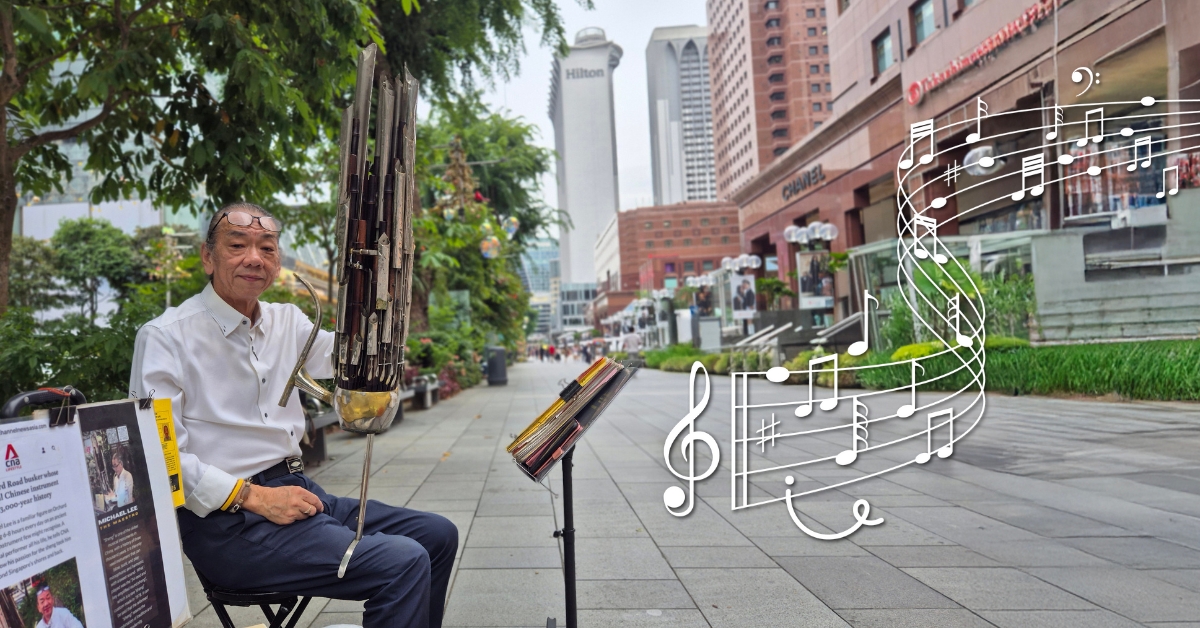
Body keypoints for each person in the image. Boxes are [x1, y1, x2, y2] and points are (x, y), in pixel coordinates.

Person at [130, 202, 457, 628]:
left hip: (296, 491)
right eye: (237, 245)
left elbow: (347, 356)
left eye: (267, 247)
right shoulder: (165, 337)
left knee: (436, 536)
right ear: (207, 257)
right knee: (402, 561)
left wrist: (379, 285)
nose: (254, 258)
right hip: (228, 525)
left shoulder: (288, 321)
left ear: (278, 260)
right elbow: (160, 460)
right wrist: (254, 497)